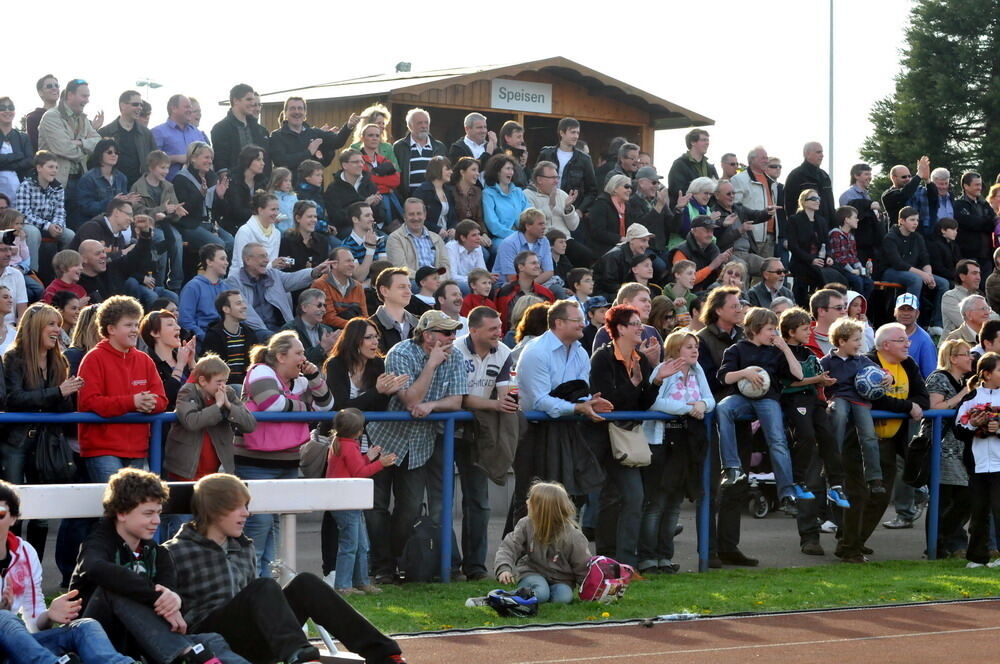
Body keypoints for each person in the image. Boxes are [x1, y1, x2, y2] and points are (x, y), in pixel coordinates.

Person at [163, 474, 406, 664]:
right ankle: (300, 656)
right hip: (209, 640)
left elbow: (250, 601)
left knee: (305, 583)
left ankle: (384, 655)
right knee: (264, 585)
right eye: (238, 507)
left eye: (246, 506)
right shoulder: (174, 552)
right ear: (214, 509)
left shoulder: (243, 547)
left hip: (250, 641)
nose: (246, 514)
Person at [68, 469, 248, 664]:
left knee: (211, 640)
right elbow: (95, 568)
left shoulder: (158, 553)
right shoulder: (99, 542)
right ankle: (187, 653)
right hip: (95, 641)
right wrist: (156, 595)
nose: (156, 521)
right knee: (115, 588)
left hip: (142, 638)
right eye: (148, 514)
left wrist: (175, 601)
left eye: (158, 513)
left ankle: (195, 654)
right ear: (121, 513)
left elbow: (168, 591)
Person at [365, 310, 467, 583]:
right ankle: (381, 566)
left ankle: (399, 562)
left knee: (409, 508)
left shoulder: (455, 355)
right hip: (384, 439)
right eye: (446, 332)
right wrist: (431, 365)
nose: (452, 337)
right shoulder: (400, 352)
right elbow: (411, 400)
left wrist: (433, 405)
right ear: (428, 335)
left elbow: (456, 402)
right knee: (376, 507)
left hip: (420, 444)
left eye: (454, 332)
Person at [0, 481, 143, 664]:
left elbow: (35, 622)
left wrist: (50, 615)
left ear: (13, 518)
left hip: (19, 649)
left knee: (85, 626)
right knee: (4, 618)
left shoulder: (25, 553)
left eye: (0, 513)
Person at [237, 331, 333, 575]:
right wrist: (304, 408)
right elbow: (273, 405)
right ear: (280, 356)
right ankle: (251, 584)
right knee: (259, 524)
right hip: (255, 462)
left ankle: (269, 583)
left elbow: (327, 405)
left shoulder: (301, 379)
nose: (303, 358)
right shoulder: (260, 371)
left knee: (280, 525)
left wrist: (313, 376)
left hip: (289, 461)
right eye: (298, 353)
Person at [318, 317, 407, 582]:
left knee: (367, 507)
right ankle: (330, 569)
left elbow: (377, 409)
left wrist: (379, 393)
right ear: (354, 340)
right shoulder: (336, 365)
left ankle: (367, 570)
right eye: (369, 337)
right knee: (336, 508)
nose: (375, 342)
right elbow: (343, 408)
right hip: (340, 443)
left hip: (370, 443)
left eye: (376, 337)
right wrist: (377, 392)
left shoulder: (379, 364)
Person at [836, 323, 928, 563]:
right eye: (901, 340)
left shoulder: (908, 364)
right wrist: (906, 407)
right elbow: (873, 399)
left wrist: (911, 404)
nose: (907, 344)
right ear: (885, 345)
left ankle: (855, 541)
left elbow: (922, 397)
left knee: (881, 496)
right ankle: (848, 546)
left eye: (907, 340)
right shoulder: (865, 363)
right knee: (858, 494)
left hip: (888, 441)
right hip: (859, 440)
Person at [1, 303, 80, 558]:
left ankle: (32, 564)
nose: (58, 329)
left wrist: (67, 393)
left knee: (42, 514)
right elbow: (14, 398)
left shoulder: (59, 359)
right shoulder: (14, 357)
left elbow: (64, 407)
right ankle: (8, 565)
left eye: (58, 324)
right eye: (52, 324)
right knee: (12, 510)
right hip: (16, 442)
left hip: (47, 443)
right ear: (36, 327)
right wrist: (58, 392)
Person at [717, 307, 808, 517]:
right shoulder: (736, 350)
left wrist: (785, 348)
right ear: (756, 329)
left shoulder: (776, 351)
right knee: (723, 408)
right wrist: (745, 373)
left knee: (777, 441)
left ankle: (786, 494)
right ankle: (732, 468)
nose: (774, 333)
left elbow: (799, 374)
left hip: (768, 400)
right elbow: (724, 378)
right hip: (742, 399)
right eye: (770, 329)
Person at [589, 304, 658, 566]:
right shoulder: (602, 358)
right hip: (602, 438)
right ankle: (607, 560)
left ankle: (624, 562)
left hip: (626, 438)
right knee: (612, 498)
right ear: (619, 328)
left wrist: (654, 381)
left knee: (630, 496)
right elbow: (609, 402)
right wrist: (635, 385)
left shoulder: (640, 359)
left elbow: (644, 404)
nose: (641, 328)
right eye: (635, 323)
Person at [778, 307, 850, 556]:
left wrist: (824, 382)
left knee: (835, 473)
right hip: (800, 413)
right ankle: (809, 537)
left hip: (820, 410)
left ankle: (848, 540)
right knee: (810, 479)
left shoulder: (815, 353)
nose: (809, 331)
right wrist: (817, 380)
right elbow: (788, 381)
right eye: (805, 328)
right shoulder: (783, 352)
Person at [642, 330, 714, 572]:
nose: (695, 350)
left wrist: (702, 405)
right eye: (688, 347)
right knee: (657, 501)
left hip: (688, 441)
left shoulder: (698, 370)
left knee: (675, 503)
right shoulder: (663, 370)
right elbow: (654, 402)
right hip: (663, 440)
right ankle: (647, 557)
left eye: (696, 346)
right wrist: (686, 408)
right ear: (674, 350)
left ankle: (665, 557)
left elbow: (710, 399)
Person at [454, 307, 516, 579]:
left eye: (500, 327)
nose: (499, 333)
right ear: (474, 330)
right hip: (445, 431)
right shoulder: (455, 349)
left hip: (477, 433)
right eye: (493, 329)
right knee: (440, 504)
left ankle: (476, 567)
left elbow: (505, 392)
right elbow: (458, 397)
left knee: (479, 502)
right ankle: (447, 565)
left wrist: (509, 400)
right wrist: (495, 403)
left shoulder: (503, 351)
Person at [77, 296, 167, 482]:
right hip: (102, 448)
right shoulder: (94, 359)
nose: (135, 330)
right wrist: (133, 402)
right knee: (117, 506)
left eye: (136, 324)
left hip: (137, 448)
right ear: (111, 329)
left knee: (132, 507)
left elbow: (162, 400)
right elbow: (89, 401)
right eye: (128, 325)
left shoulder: (144, 360)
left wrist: (151, 403)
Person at [324, 409, 397, 596]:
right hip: (347, 501)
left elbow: (354, 467)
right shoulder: (348, 446)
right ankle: (343, 585)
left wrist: (369, 457)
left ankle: (360, 581)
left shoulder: (341, 443)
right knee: (351, 545)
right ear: (358, 431)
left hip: (348, 501)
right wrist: (382, 464)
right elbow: (360, 473)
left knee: (361, 544)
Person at [821, 318, 889, 494]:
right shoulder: (827, 361)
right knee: (838, 416)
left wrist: (888, 377)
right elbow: (817, 379)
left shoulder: (861, 360)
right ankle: (830, 468)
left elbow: (882, 373)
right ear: (842, 341)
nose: (860, 344)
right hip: (839, 397)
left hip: (860, 400)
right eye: (856, 340)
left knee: (868, 436)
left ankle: (875, 479)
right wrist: (823, 382)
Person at [165, 354, 254, 487]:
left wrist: (229, 406)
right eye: (219, 382)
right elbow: (192, 421)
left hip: (217, 471)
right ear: (202, 381)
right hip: (186, 471)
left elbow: (250, 424)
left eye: (225, 381)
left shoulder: (228, 393)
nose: (223, 386)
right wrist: (217, 405)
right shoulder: (188, 392)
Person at [494, 481, 591, 604]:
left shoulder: (573, 536)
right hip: (532, 572)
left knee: (563, 598)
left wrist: (591, 589)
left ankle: (535, 595)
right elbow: (508, 547)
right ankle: (505, 598)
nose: (526, 502)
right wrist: (504, 568)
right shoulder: (526, 524)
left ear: (542, 507)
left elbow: (582, 565)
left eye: (531, 500)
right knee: (541, 593)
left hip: (561, 579)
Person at [924, 339, 972, 558]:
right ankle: (936, 546)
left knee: (966, 497)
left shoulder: (966, 380)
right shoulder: (938, 378)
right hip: (942, 448)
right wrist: (962, 395)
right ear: (953, 358)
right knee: (942, 498)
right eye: (965, 354)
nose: (970, 357)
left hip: (963, 448)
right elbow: (934, 407)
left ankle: (947, 539)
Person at [223, 242, 331, 339]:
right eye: (262, 256)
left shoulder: (273, 274)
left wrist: (315, 271)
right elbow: (247, 315)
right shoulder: (234, 282)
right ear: (248, 260)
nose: (267, 260)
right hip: (255, 332)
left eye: (267, 256)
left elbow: (293, 278)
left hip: (282, 329)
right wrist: (268, 334)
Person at [955, 352, 1000, 568]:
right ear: (986, 374)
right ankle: (976, 557)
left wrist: (998, 428)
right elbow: (958, 430)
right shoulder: (970, 399)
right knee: (979, 511)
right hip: (977, 465)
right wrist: (973, 424)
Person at [131, 150, 186, 292]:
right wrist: (162, 210)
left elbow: (171, 210)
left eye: (167, 168)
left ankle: (175, 284)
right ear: (151, 167)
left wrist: (176, 212)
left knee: (177, 239)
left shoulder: (168, 186)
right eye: (162, 168)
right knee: (161, 239)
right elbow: (137, 212)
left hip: (164, 224)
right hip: (146, 226)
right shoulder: (138, 186)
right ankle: (159, 283)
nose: (166, 171)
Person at [884, 206, 948, 325]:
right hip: (891, 271)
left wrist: (929, 276)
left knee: (944, 283)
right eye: (912, 220)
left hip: (913, 271)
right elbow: (898, 263)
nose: (916, 223)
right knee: (916, 279)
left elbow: (925, 258)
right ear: (902, 221)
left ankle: (937, 323)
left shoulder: (917, 237)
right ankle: (909, 321)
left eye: (917, 220)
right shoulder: (890, 237)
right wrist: (923, 274)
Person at [16, 151, 75, 272]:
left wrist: (58, 226)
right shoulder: (26, 186)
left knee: (70, 235)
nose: (54, 171)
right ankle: (32, 271)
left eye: (56, 167)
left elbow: (60, 212)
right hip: (29, 225)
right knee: (33, 233)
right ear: (39, 168)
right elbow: (23, 214)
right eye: (50, 167)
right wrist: (48, 226)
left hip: (51, 226)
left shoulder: (58, 188)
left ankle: (64, 272)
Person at [172, 142, 234, 255]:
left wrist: (220, 197)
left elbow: (222, 212)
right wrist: (200, 194)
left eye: (211, 158)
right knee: (218, 245)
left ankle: (225, 273)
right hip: (190, 225)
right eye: (206, 157)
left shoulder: (212, 177)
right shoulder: (180, 179)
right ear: (193, 158)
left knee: (231, 242)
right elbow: (184, 211)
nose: (210, 161)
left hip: (210, 224)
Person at [37, 78, 101, 187]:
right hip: (55, 183)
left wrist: (80, 142)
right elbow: (64, 149)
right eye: (84, 96)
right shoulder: (51, 116)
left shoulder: (83, 118)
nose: (87, 100)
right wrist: (86, 150)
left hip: (80, 180)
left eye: (88, 96)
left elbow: (99, 143)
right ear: (70, 95)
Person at [269, 97, 355, 173]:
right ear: (285, 113)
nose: (297, 112)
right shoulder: (277, 136)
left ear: (305, 113)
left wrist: (348, 126)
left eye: (300, 108)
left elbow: (337, 141)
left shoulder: (314, 133)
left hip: (314, 189)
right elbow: (281, 162)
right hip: (288, 189)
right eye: (292, 108)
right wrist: (309, 152)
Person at [524, 161, 585, 264]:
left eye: (557, 178)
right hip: (543, 239)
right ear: (539, 180)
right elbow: (532, 221)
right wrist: (550, 206)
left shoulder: (561, 194)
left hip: (565, 239)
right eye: (552, 178)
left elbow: (573, 226)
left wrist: (568, 208)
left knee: (586, 256)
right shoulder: (527, 195)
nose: (556, 181)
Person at [535, 117, 597, 214]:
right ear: (562, 133)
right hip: (545, 207)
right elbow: (535, 180)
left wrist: (580, 210)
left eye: (577, 133)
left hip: (571, 211)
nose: (576, 136)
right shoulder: (546, 154)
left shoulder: (584, 159)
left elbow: (592, 191)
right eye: (572, 132)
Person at [712, 178, 774, 276]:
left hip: (747, 253)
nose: (732, 196)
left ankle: (771, 291)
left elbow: (756, 215)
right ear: (717, 195)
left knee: (773, 267)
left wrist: (768, 212)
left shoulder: (738, 208)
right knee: (741, 268)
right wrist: (740, 230)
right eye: (728, 194)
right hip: (728, 254)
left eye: (733, 193)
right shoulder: (714, 213)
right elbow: (719, 242)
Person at [786, 189, 841, 297]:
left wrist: (829, 256)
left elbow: (826, 242)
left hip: (820, 261)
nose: (817, 201)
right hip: (801, 261)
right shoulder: (794, 220)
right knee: (818, 275)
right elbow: (793, 246)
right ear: (804, 202)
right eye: (813, 198)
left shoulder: (821, 221)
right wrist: (811, 260)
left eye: (818, 198)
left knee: (838, 275)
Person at [97, 90, 156, 187]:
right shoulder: (105, 132)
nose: (139, 108)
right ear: (122, 106)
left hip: (139, 186)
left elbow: (154, 160)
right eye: (135, 104)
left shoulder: (146, 133)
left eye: (140, 105)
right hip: (112, 186)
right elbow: (95, 162)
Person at [210, 84, 269, 175]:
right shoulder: (220, 129)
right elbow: (221, 163)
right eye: (248, 99)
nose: (253, 103)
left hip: (259, 184)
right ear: (236, 100)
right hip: (234, 184)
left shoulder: (260, 130)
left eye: (253, 99)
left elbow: (267, 160)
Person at [324, 149, 382, 239]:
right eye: (356, 162)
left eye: (362, 162)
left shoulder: (369, 184)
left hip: (370, 229)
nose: (360, 165)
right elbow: (337, 218)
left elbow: (381, 217)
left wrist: (375, 205)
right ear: (344, 165)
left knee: (390, 242)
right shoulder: (334, 188)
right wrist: (365, 205)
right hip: (346, 230)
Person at [151, 94, 209, 180]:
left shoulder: (197, 133)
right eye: (187, 107)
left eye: (191, 107)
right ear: (174, 108)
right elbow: (152, 161)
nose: (190, 110)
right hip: (170, 189)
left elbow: (208, 158)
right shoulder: (158, 132)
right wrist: (176, 158)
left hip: (198, 188)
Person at [385, 198, 449, 276]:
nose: (416, 218)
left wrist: (437, 280)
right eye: (411, 214)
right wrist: (426, 279)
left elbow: (446, 267)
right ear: (404, 216)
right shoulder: (395, 238)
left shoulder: (437, 238)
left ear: (425, 215)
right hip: (412, 283)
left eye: (419, 214)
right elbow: (400, 268)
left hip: (437, 281)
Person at [179, 244, 228, 342]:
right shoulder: (192, 287)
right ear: (209, 262)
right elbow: (185, 320)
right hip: (204, 341)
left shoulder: (226, 287)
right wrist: (205, 338)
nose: (226, 263)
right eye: (222, 259)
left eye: (226, 259)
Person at [203, 290, 253, 387]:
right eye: (239, 303)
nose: (244, 306)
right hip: (225, 385)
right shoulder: (213, 336)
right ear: (226, 309)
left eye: (243, 302)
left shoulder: (249, 333)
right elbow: (214, 370)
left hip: (248, 383)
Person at [495, 251, 555, 331]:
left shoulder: (546, 293)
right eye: (533, 263)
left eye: (538, 263)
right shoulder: (505, 292)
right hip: (512, 338)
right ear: (521, 267)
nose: (538, 266)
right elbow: (500, 321)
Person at [357, 123, 403, 225]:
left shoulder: (383, 159)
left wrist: (375, 179)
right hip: (368, 202)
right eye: (370, 135)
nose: (375, 138)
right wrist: (386, 186)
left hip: (387, 199)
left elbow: (396, 181)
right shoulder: (358, 159)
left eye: (377, 136)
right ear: (362, 138)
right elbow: (365, 180)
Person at [495, 208, 555, 286]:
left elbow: (549, 272)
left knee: (557, 289)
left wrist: (531, 285)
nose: (544, 227)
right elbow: (511, 277)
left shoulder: (544, 241)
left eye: (544, 224)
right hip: (508, 285)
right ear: (528, 226)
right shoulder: (509, 243)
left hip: (535, 283)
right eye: (540, 224)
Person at [217, 145, 267, 238]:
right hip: (235, 226)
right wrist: (261, 214)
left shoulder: (262, 181)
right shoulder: (232, 180)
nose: (263, 163)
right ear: (247, 161)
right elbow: (236, 211)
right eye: (258, 160)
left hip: (256, 224)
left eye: (262, 159)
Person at [954, 171, 996, 278]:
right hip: (969, 255)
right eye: (976, 185)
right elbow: (970, 223)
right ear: (966, 186)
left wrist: (982, 222)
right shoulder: (959, 204)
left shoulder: (984, 204)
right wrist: (985, 222)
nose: (980, 188)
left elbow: (993, 222)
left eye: (980, 184)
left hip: (986, 255)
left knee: (985, 286)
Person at [672, 216, 732, 291]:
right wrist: (711, 266)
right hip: (684, 295)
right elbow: (684, 281)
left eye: (712, 231)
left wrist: (724, 267)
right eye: (706, 230)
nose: (710, 235)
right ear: (694, 231)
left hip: (707, 291)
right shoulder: (681, 251)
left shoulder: (713, 249)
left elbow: (720, 278)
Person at [278, 288, 336, 365]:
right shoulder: (289, 330)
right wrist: (322, 348)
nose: (324, 310)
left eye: (324, 306)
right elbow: (296, 362)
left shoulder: (327, 330)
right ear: (304, 307)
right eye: (319, 305)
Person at [783, 142, 835, 225]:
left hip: (825, 226)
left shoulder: (824, 176)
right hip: (804, 226)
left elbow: (830, 203)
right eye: (818, 152)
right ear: (807, 154)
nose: (822, 155)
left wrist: (834, 225)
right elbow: (789, 205)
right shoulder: (796, 175)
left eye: (822, 152)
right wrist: (795, 226)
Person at [368, 267, 418, 353]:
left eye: (409, 287)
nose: (409, 292)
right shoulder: (369, 327)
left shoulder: (420, 324)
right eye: (402, 287)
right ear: (384, 291)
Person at [942, 260, 998, 338]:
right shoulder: (949, 297)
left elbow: (996, 318)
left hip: (978, 343)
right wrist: (986, 318)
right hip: (954, 347)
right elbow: (966, 322)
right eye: (974, 273)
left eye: (979, 274)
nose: (978, 278)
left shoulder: (979, 297)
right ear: (962, 277)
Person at [828, 206, 874, 300]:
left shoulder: (851, 236)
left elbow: (854, 256)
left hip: (851, 267)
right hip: (840, 268)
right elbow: (838, 257)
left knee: (869, 283)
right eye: (855, 217)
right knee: (857, 281)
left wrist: (860, 269)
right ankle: (852, 305)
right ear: (847, 220)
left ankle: (861, 307)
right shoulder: (836, 233)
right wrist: (852, 270)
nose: (857, 220)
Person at [586, 174, 636, 259]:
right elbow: (598, 232)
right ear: (615, 188)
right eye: (626, 187)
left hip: (623, 247)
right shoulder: (601, 204)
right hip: (603, 247)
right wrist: (620, 239)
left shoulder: (627, 206)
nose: (630, 190)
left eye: (631, 187)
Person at [482, 154, 531, 240]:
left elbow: (530, 214)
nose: (511, 172)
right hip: (501, 238)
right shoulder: (488, 194)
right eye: (508, 168)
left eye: (512, 169)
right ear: (497, 171)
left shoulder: (518, 192)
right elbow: (492, 223)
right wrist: (517, 236)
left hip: (525, 235)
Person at [667, 128, 718, 203]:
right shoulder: (679, 164)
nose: (707, 143)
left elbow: (717, 192)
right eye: (703, 140)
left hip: (707, 211)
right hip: (686, 211)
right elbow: (676, 190)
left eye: (707, 140)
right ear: (693, 142)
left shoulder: (710, 168)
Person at [0, 97, 32, 203]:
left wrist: (5, 165)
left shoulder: (23, 137)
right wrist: (17, 156)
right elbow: (23, 158)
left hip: (18, 189)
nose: (7, 111)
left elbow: (30, 161)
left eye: (11, 107)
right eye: (3, 107)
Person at [445, 219, 488, 293]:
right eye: (474, 235)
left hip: (472, 281)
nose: (479, 238)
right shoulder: (450, 248)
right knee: (469, 288)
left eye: (479, 234)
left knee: (491, 287)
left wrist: (485, 278)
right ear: (463, 238)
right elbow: (452, 276)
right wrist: (476, 280)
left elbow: (482, 271)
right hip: (454, 284)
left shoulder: (478, 247)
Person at [23, 75, 61, 150]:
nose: (54, 88)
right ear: (40, 92)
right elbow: (35, 147)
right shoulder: (33, 118)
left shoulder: (68, 115)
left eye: (56, 85)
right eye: (49, 86)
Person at [927, 218, 963, 285]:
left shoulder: (954, 245)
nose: (956, 232)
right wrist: (955, 276)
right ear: (943, 230)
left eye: (956, 230)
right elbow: (938, 268)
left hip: (952, 276)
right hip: (942, 277)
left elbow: (959, 262)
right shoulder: (934, 245)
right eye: (953, 229)